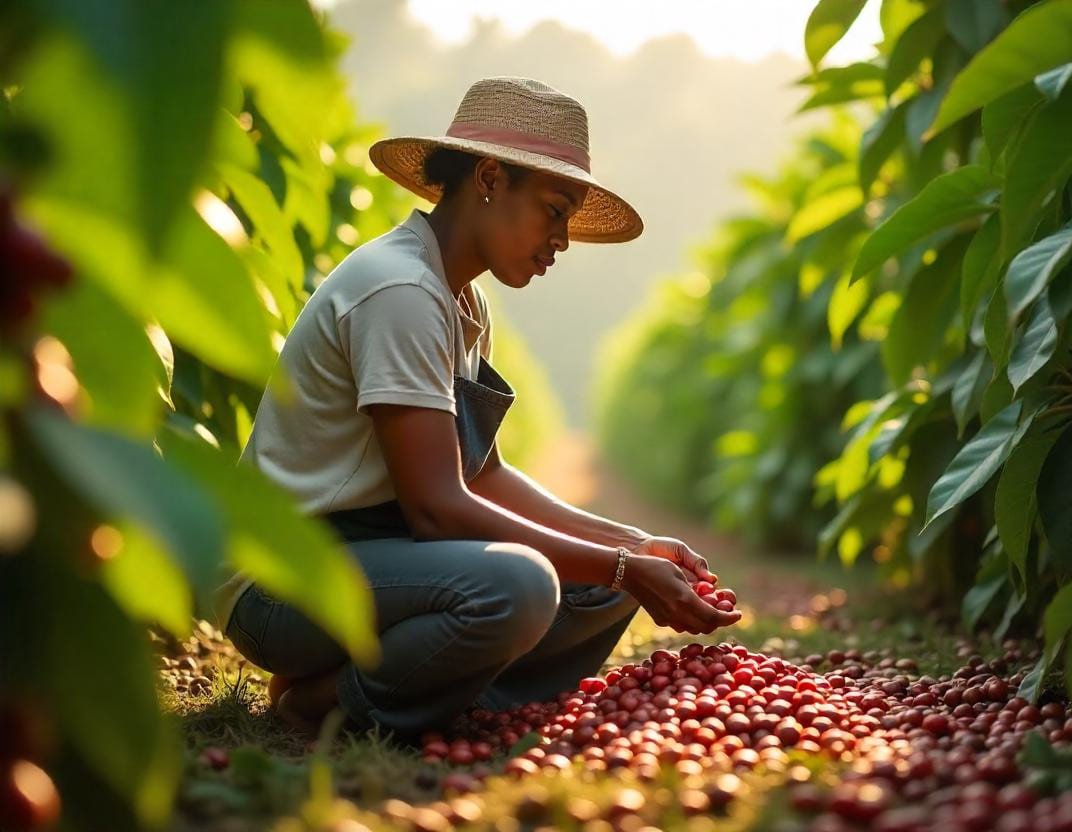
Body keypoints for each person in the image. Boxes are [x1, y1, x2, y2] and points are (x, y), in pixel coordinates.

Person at [216, 76, 740, 739]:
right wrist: (620, 560)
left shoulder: (461, 300)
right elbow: (437, 510)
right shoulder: (400, 290)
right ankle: (327, 701)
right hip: (284, 580)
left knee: (605, 584)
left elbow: (481, 473)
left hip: (374, 557)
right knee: (521, 587)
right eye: (555, 210)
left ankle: (409, 683)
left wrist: (632, 547)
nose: (563, 239)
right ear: (489, 178)